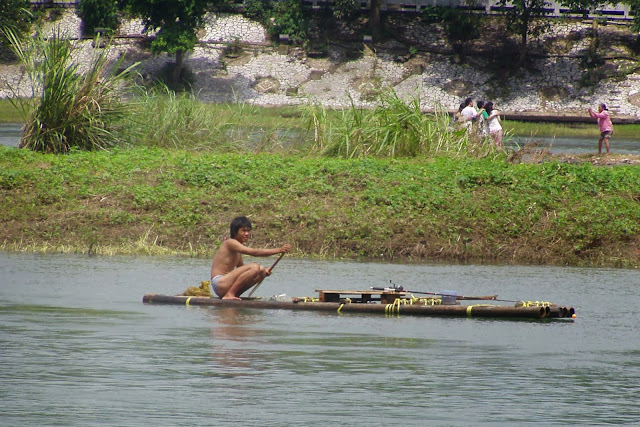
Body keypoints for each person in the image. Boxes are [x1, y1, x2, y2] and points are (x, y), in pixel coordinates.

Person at [210, 216, 291, 300]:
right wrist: (278, 250)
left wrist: (263, 273)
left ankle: (234, 294)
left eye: (248, 231)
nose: (247, 234)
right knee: (255, 267)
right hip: (220, 283)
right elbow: (254, 252)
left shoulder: (238, 249)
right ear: (235, 232)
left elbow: (242, 269)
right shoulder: (230, 243)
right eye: (243, 231)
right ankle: (230, 294)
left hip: (226, 284)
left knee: (261, 270)